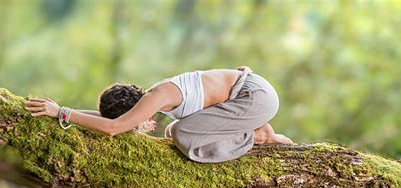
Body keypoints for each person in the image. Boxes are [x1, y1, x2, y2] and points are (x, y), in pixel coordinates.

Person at [25, 66, 293, 163]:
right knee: (170, 131)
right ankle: (255, 129)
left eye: (132, 120)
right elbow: (109, 121)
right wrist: (59, 112)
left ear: (133, 110)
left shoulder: (158, 96)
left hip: (255, 98)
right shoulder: (155, 97)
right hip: (250, 94)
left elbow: (112, 128)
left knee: (181, 133)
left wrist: (62, 112)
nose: (137, 126)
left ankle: (259, 135)